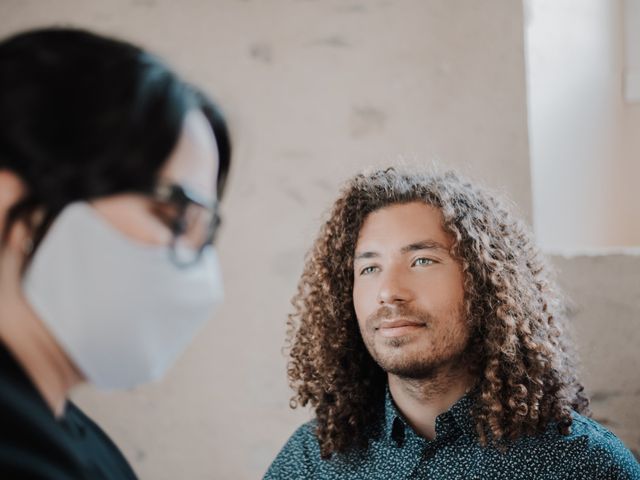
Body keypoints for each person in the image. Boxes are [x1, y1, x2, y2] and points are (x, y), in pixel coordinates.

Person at [265, 168, 640, 479]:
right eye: (369, 268)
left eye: (422, 261)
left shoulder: (583, 466)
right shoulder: (310, 462)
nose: (389, 291)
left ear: (485, 284)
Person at [0, 27, 231, 479]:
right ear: (11, 199)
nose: (204, 277)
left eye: (205, 234)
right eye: (174, 216)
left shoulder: (72, 434)